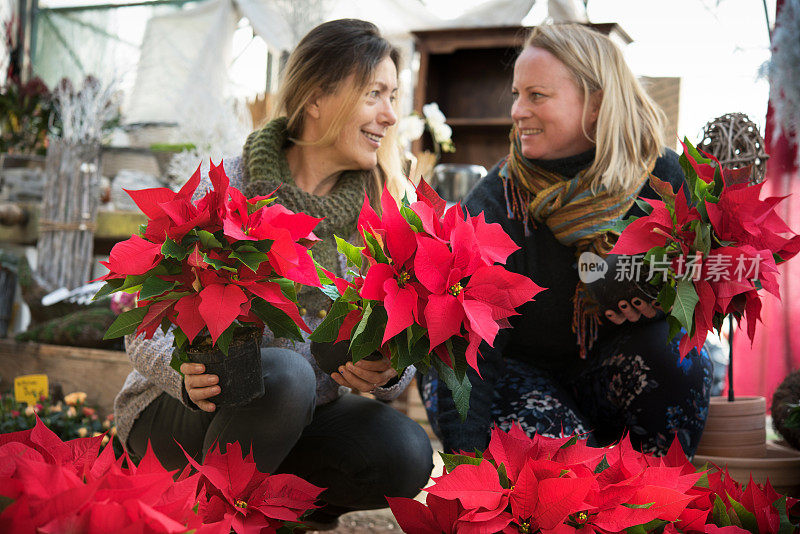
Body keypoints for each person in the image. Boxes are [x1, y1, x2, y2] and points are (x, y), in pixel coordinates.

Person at [114, 19, 433, 528]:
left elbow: (402, 342)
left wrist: (389, 370)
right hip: (187, 416)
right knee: (287, 374)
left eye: (393, 96)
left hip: (298, 417)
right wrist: (183, 373)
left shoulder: (384, 211)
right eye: (374, 94)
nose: (391, 116)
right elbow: (141, 322)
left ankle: (277, 507)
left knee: (406, 452)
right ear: (316, 99)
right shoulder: (229, 185)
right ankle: (214, 515)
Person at [419, 23, 712, 458]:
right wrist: (467, 462)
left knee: (678, 353)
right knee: (563, 481)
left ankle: (654, 506)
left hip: (607, 374)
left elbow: (714, 280)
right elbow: (469, 351)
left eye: (536, 95)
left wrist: (670, 300)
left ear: (596, 104)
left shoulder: (664, 177)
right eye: (516, 94)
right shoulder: (498, 199)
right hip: (510, 372)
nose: (517, 110)